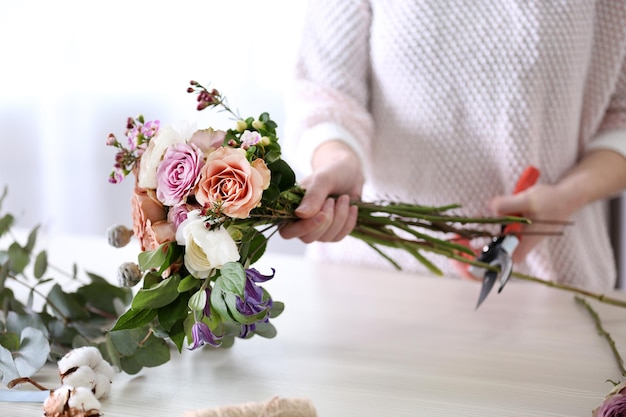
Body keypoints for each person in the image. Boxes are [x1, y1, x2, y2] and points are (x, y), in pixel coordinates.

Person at [279, 0, 626, 293]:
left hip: (553, 287)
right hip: (370, 282)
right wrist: (339, 157)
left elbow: (621, 116)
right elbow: (324, 93)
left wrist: (569, 195)